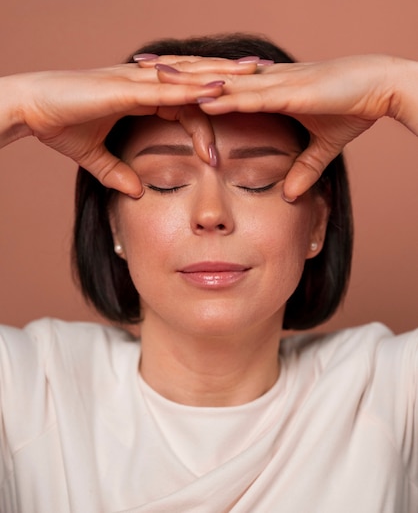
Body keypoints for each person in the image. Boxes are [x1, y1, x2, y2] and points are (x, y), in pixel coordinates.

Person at [0, 34, 417, 513]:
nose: (211, 213)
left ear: (316, 225)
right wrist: (20, 103)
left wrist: (394, 86)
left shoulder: (390, 391)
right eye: (167, 182)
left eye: (255, 183)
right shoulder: (27, 389)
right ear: (113, 223)